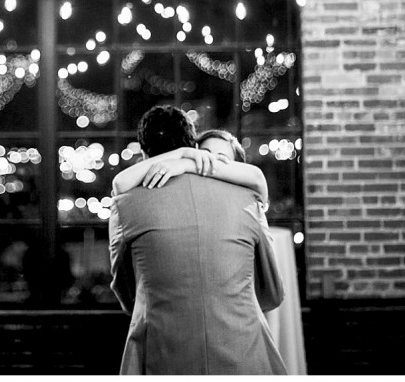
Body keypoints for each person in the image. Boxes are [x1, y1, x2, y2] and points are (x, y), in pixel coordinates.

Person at [108, 106, 286, 374]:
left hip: (162, 355)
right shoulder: (247, 199)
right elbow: (272, 293)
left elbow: (127, 293)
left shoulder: (126, 205)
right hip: (245, 355)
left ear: (144, 154)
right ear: (193, 145)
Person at [111, 127, 268, 208]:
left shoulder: (245, 195)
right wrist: (182, 153)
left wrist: (187, 163)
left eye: (221, 159)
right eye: (205, 154)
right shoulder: (181, 190)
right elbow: (120, 183)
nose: (209, 160)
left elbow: (257, 177)